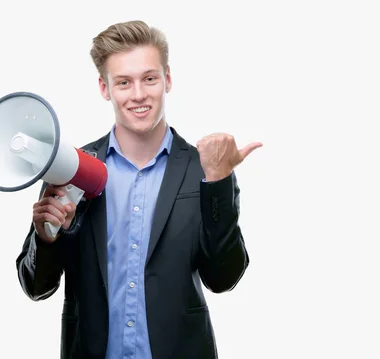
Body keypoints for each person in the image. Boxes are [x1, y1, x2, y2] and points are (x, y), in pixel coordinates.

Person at [15, 20, 262, 359]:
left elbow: (223, 278)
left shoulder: (204, 168)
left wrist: (218, 183)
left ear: (167, 79)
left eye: (149, 78)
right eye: (123, 82)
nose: (138, 95)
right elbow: (36, 287)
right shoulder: (73, 168)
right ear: (105, 88)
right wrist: (46, 237)